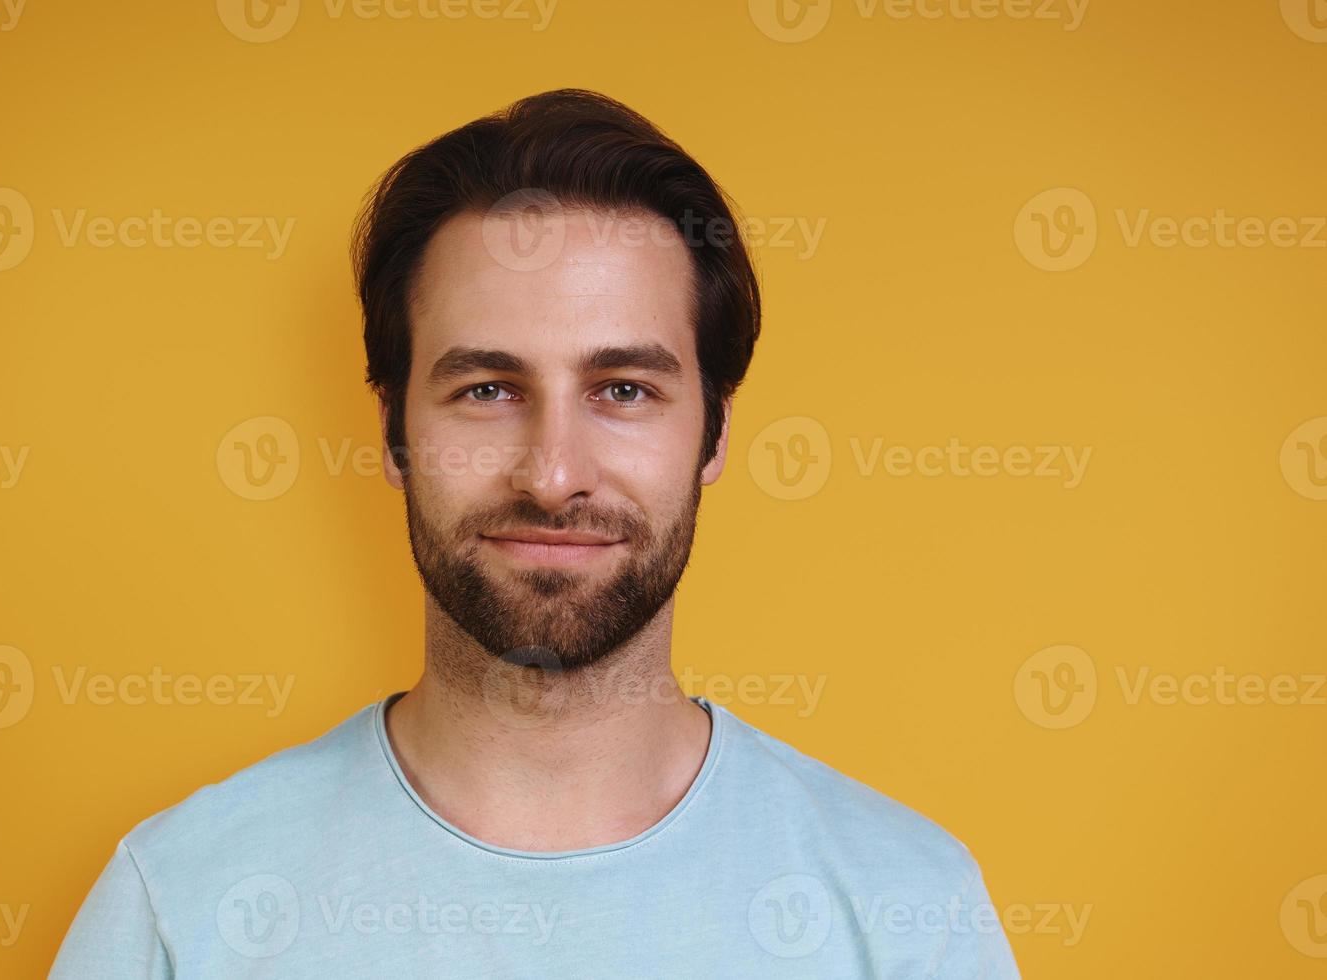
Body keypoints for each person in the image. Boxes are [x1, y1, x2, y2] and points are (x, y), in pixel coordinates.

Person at [50, 88, 1022, 978]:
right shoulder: (178, 905)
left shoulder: (908, 915)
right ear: (393, 429)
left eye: (623, 390)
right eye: (486, 389)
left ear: (714, 431)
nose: (552, 474)